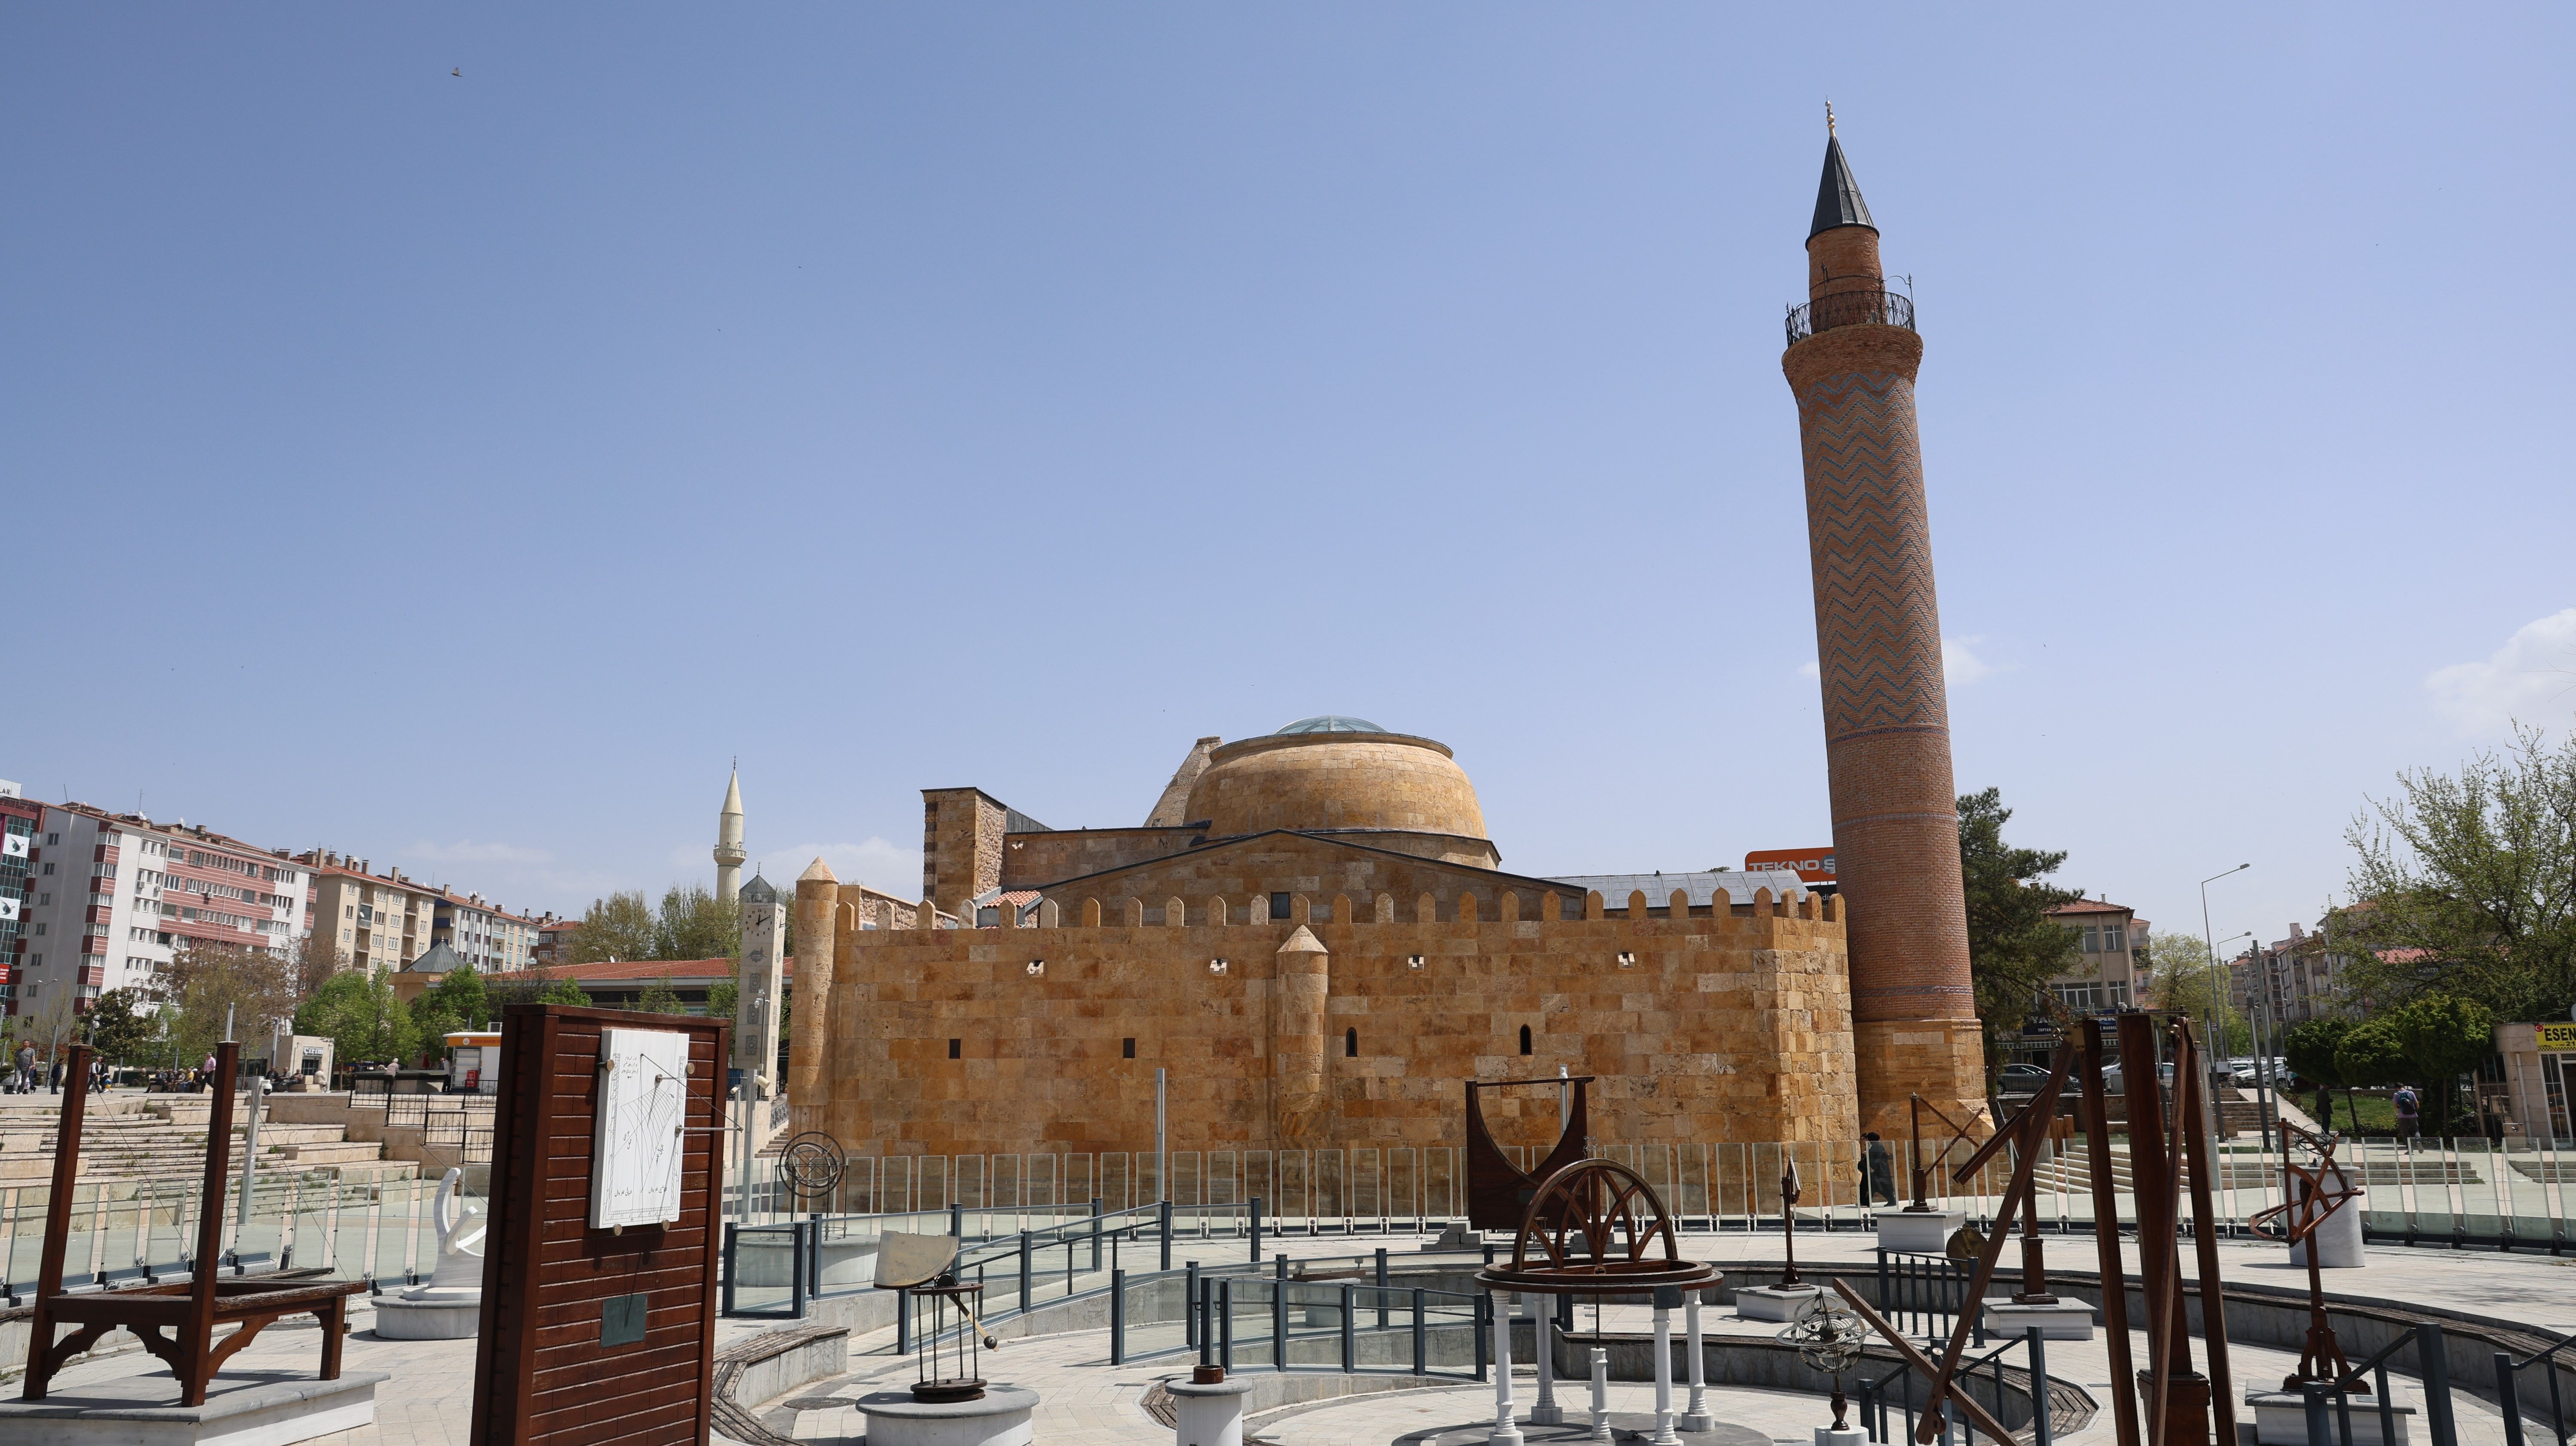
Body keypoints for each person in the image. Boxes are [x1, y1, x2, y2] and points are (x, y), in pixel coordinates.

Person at [1860, 1131, 1898, 1207]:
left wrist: (1873, 1168)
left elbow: (1878, 1159)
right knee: (1874, 1186)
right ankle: (1866, 1202)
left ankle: (1892, 1201)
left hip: (1880, 1170)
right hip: (1878, 1170)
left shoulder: (1877, 1147)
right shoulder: (1876, 1146)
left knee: (1882, 1187)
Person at [2394, 1083, 2421, 1149]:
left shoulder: (2396, 1094)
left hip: (2402, 1116)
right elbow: (2417, 1105)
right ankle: (2418, 1141)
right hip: (2413, 1115)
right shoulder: (2411, 1093)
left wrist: (2401, 1107)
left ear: (2397, 1088)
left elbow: (2396, 1107)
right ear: (2403, 1087)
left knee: (2405, 1133)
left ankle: (2410, 1148)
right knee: (2416, 1131)